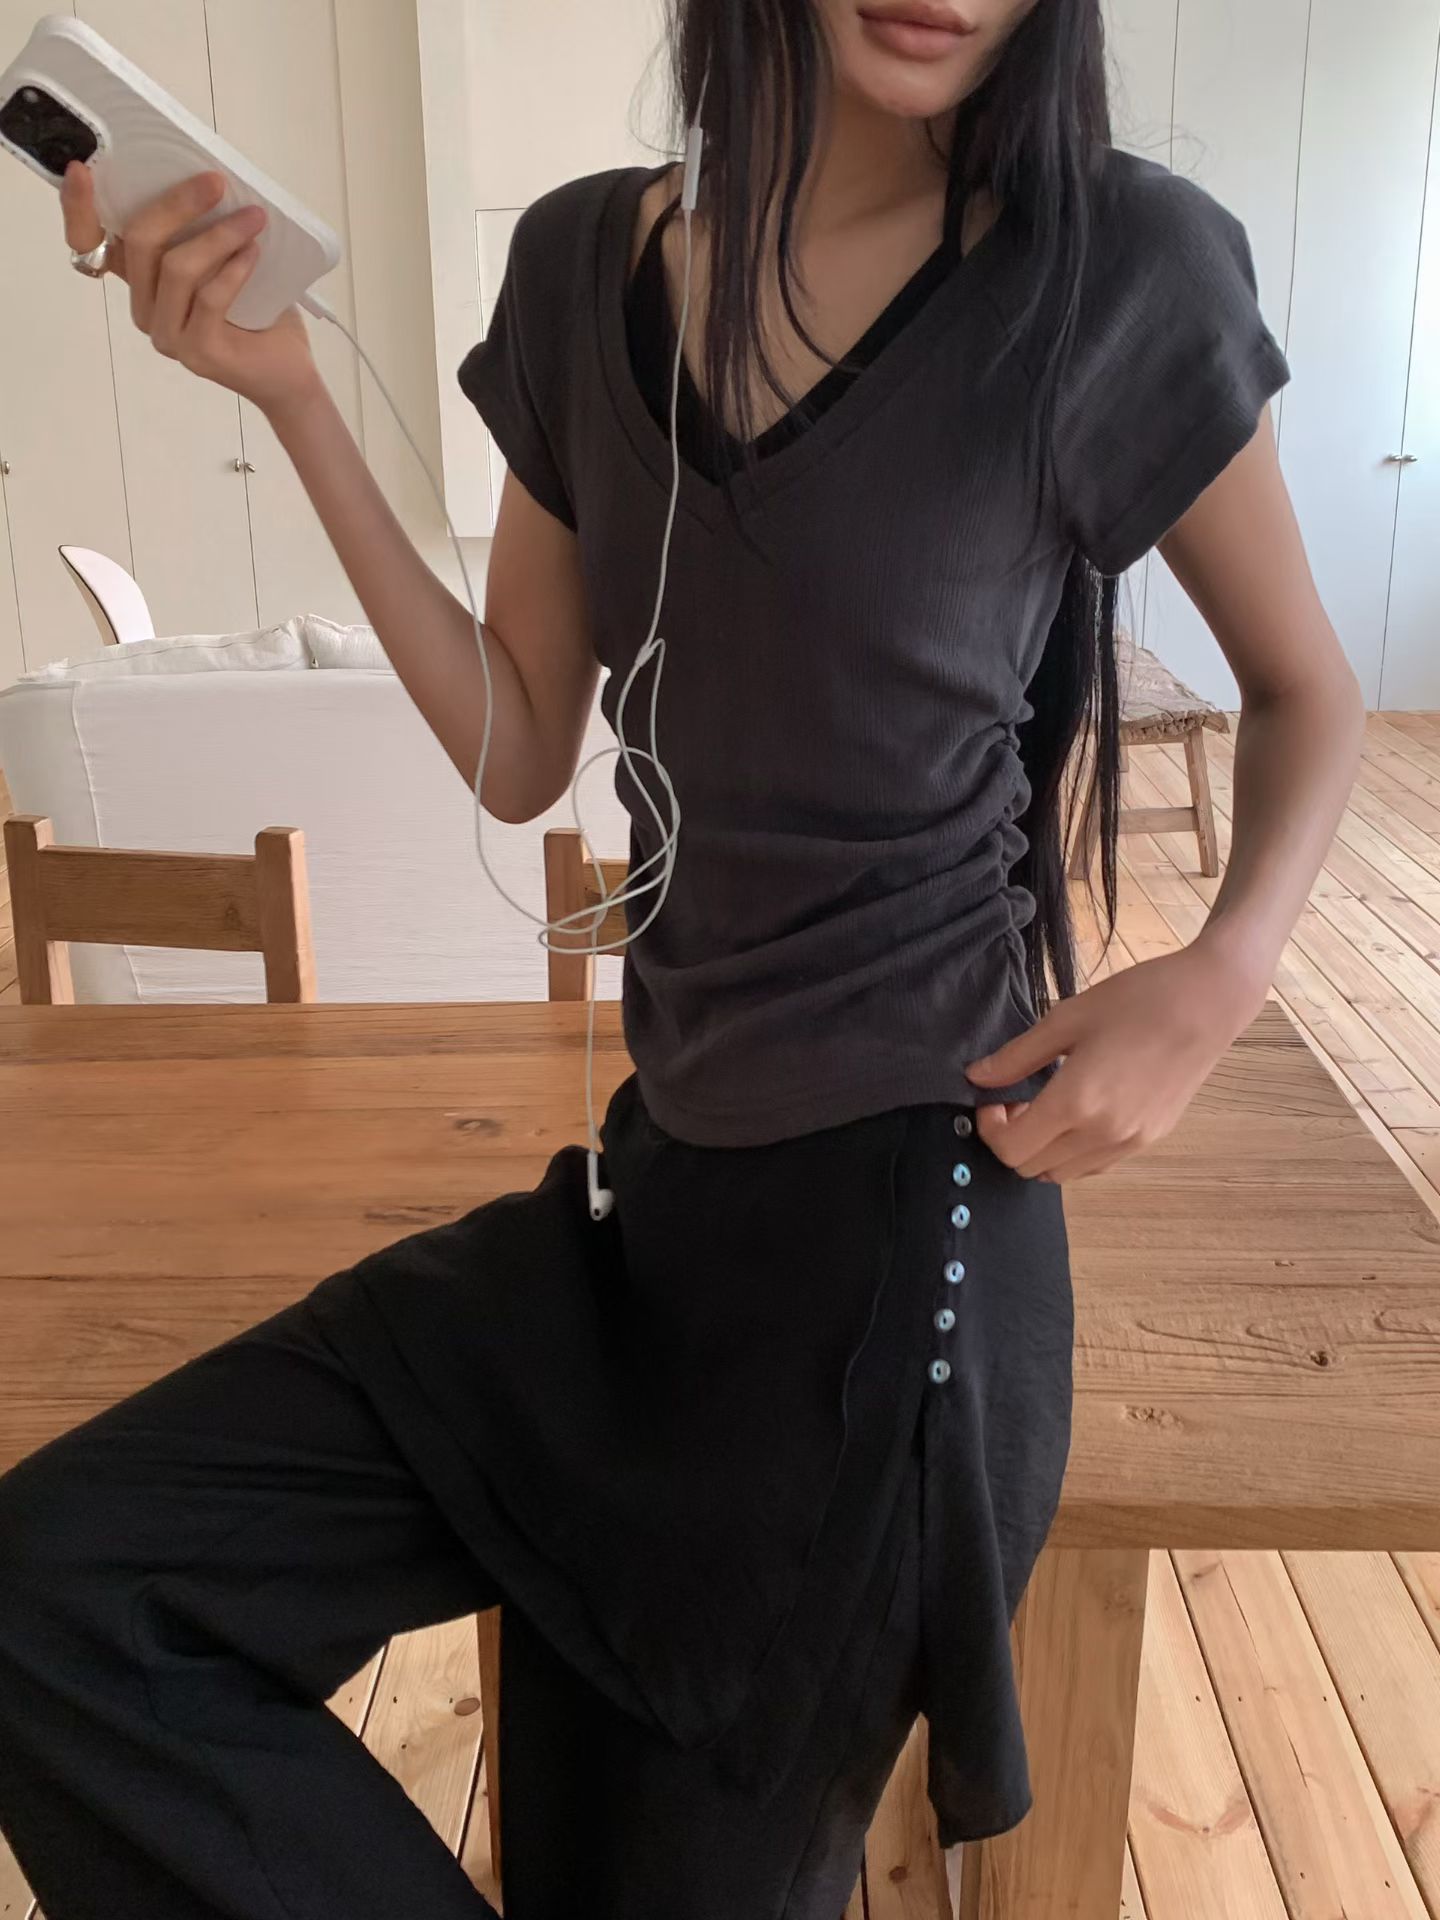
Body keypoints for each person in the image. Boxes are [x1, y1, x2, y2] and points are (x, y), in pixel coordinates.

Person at [0, 2, 1364, 1916]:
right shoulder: (582, 265)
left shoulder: (1115, 265)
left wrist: (1220, 980)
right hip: (644, 1230)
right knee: (65, 1595)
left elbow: (1309, 692)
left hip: (902, 1261)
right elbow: (517, 744)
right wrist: (292, 396)